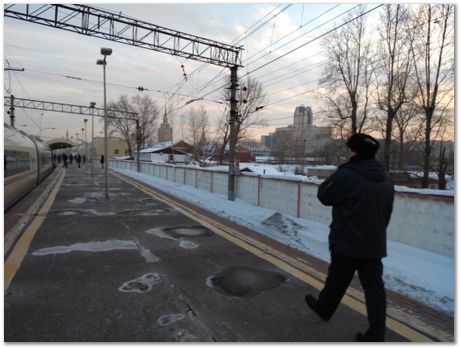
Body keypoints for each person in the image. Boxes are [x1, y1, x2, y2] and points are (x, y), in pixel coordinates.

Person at [305, 133, 394, 342]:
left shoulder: (347, 174)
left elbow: (324, 196)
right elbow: (386, 214)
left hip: (347, 241)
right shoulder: (386, 178)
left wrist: (338, 174)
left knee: (337, 279)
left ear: (354, 151)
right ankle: (376, 333)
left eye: (349, 148)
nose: (347, 151)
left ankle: (324, 308)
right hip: (374, 243)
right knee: (374, 289)